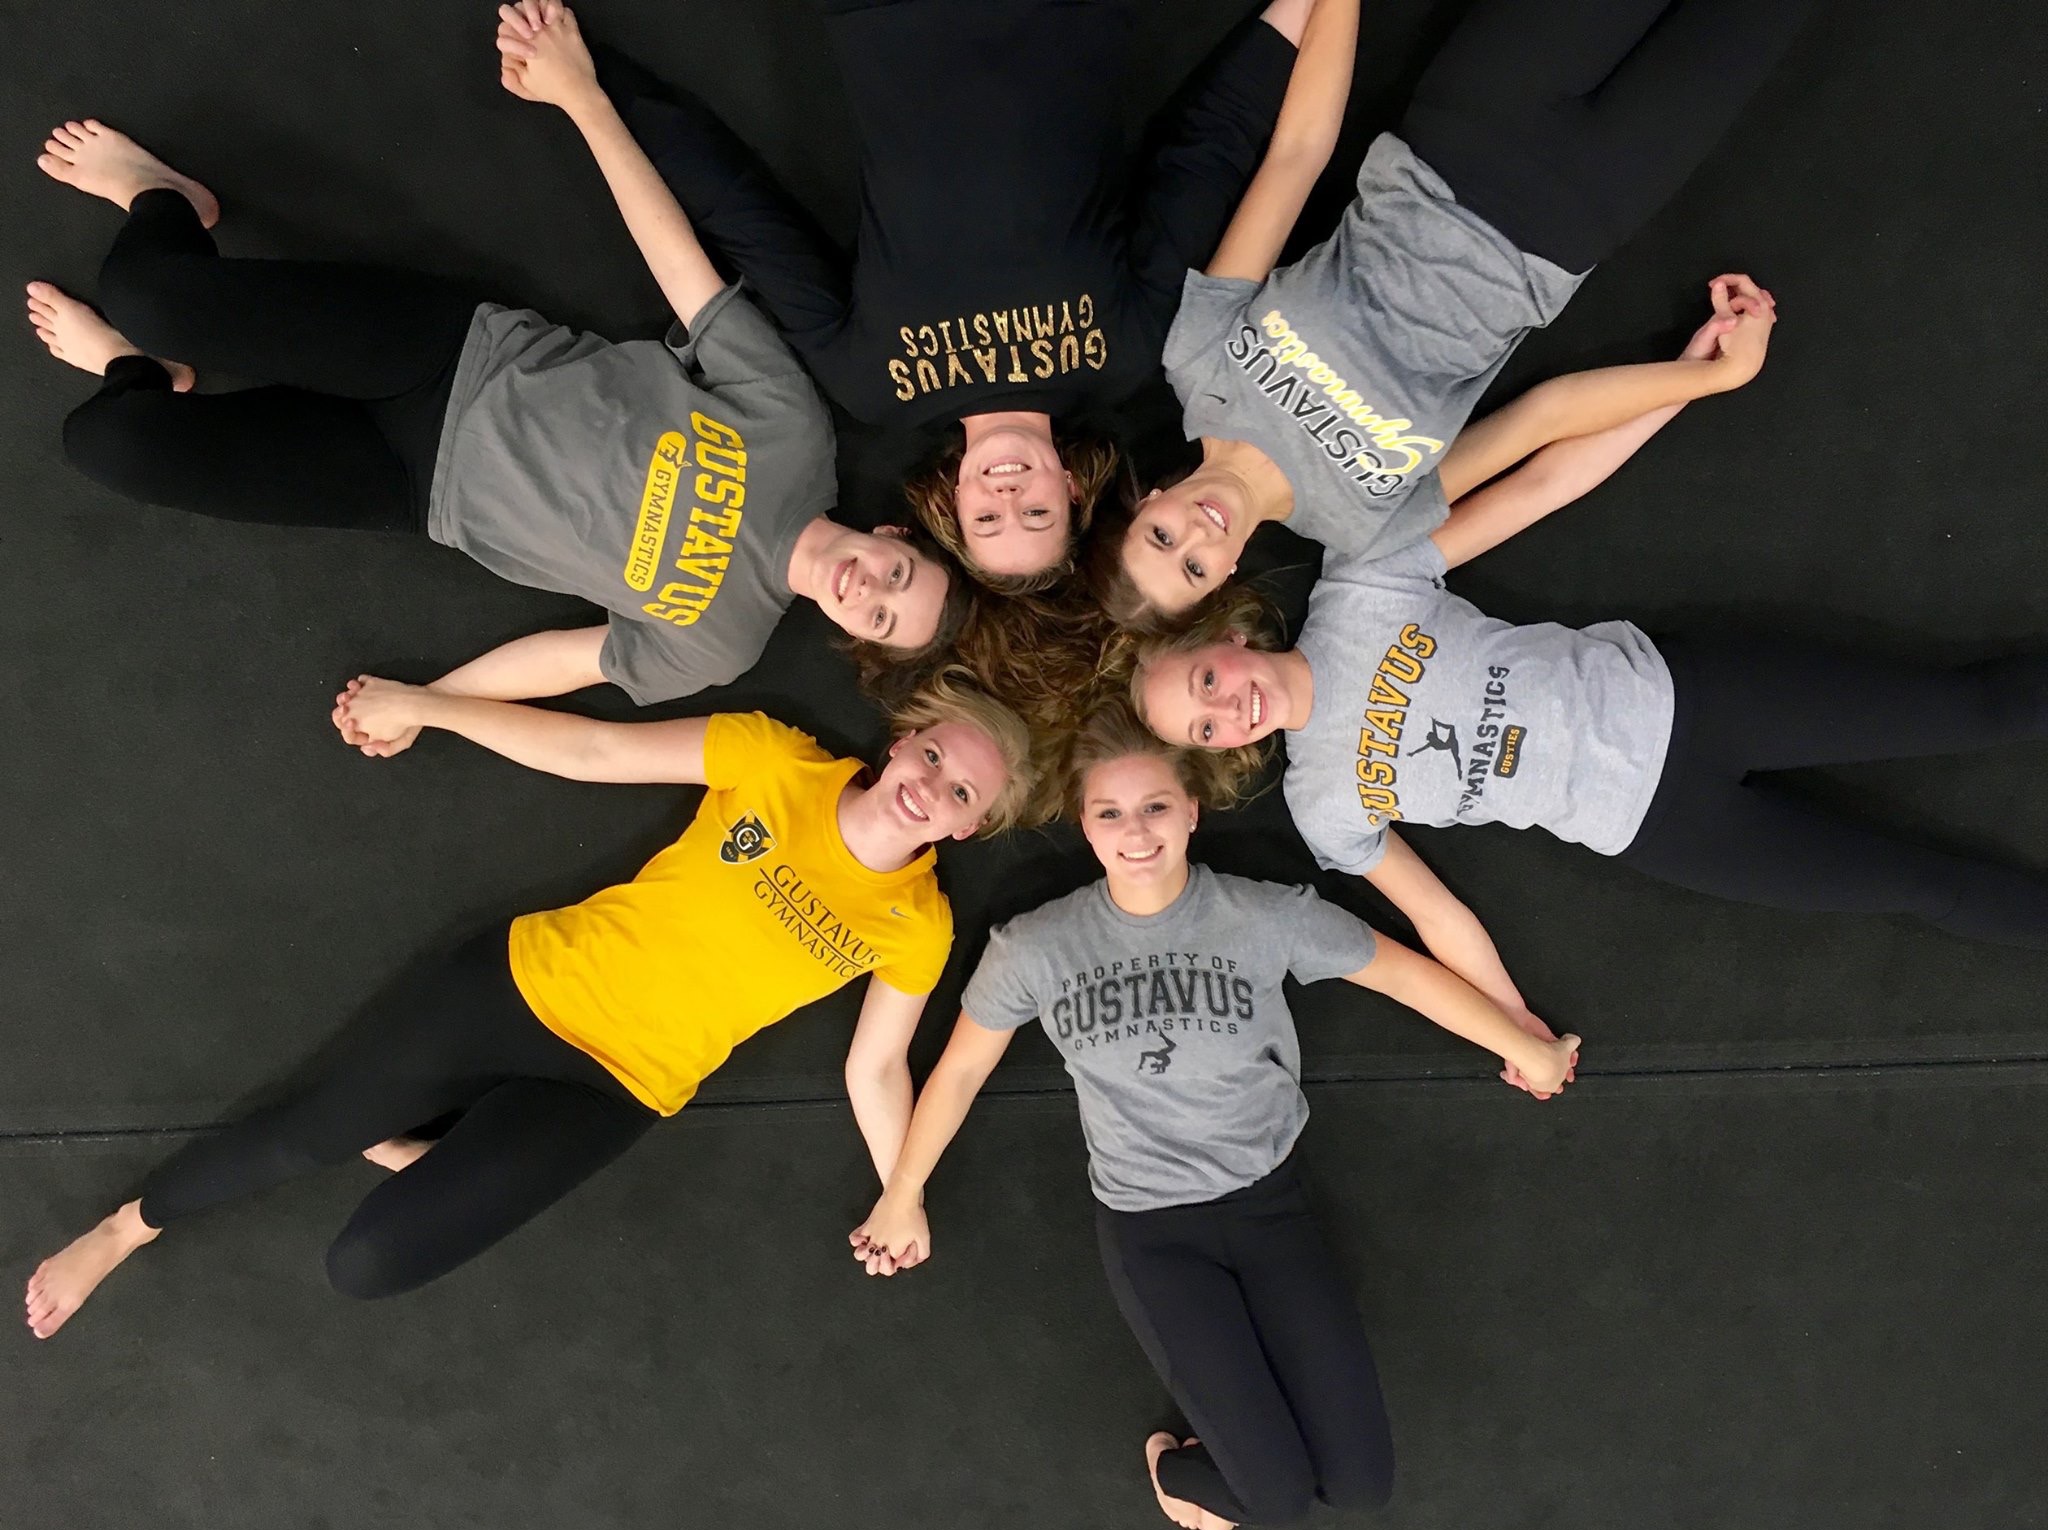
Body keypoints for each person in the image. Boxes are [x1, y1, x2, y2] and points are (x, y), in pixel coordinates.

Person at [22, 669, 1032, 1340]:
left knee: (366, 1264)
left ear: (969, 829)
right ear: (905, 741)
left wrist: (902, 1194)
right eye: (935, 757)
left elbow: (875, 1066)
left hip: (616, 1090)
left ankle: (410, 1141)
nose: (932, 786)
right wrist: (429, 705)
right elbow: (591, 752)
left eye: (960, 795)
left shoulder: (918, 925)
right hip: (517, 990)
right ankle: (125, 1229)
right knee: (300, 1137)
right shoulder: (778, 759)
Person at [25, 8, 966, 717]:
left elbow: (565, 659)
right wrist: (584, 98)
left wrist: (430, 703)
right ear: (894, 537)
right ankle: (164, 198)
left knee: (109, 443)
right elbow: (686, 273)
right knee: (149, 293)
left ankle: (139, 370)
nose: (869, 590)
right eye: (899, 575)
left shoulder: (722, 645)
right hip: (451, 357)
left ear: (858, 641)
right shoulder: (797, 438)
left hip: (410, 491)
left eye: (881, 618)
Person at [1131, 293, 2048, 996]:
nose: (1226, 710)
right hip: (1666, 830)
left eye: (1206, 682)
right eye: (1206, 730)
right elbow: (1441, 919)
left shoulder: (1359, 582)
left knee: (1973, 705)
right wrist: (1514, 1023)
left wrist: (1687, 379)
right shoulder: (1322, 807)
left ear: (1229, 637)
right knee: (1919, 886)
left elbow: (1543, 484)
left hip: (1696, 699)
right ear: (1221, 752)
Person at [848, 702, 1579, 1530]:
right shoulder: (1036, 948)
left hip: (1271, 1211)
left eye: (1155, 806)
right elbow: (959, 1072)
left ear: (1192, 810)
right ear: (1085, 825)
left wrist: (1527, 1048)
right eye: (1110, 813)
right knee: (1275, 1502)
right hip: (1155, 1236)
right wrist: (901, 1194)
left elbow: (1405, 975)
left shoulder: (1265, 916)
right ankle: (1173, 1464)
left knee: (1362, 1487)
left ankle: (1223, 1459)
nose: (1136, 832)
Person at [516, 0, 1337, 590]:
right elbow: (1203, 153)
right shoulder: (1128, 356)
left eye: (988, 520)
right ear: (1071, 489)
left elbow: (740, 211)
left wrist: (592, 81)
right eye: (1036, 516)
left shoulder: (873, 383)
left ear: (955, 500)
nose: (1009, 497)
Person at [1099, 0, 1814, 622]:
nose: (1196, 536)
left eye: (1161, 537)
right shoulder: (1362, 528)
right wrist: (1712, 378)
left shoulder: (1196, 362)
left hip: (1471, 122)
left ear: (1148, 501)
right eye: (1194, 568)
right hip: (1580, 214)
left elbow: (1296, 154)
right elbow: (1541, 419)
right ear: (1225, 577)